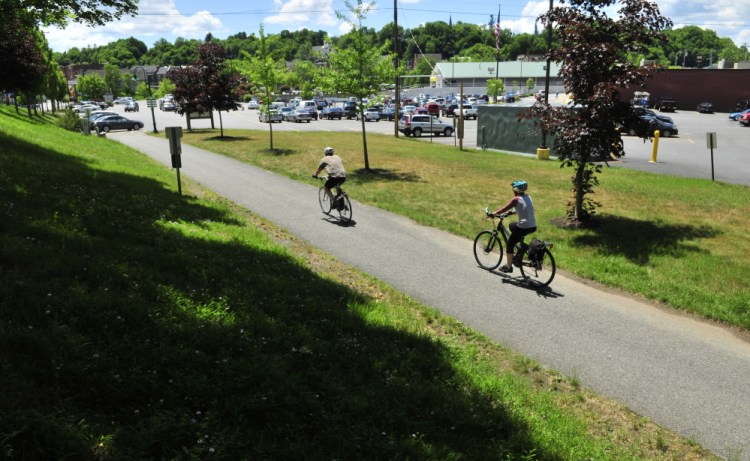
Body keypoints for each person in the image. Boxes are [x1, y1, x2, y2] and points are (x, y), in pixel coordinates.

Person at [488, 180, 537, 273]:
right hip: (533, 226)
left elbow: (504, 208)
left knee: (510, 244)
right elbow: (524, 208)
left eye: (513, 189)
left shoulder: (516, 199)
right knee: (512, 225)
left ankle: (509, 267)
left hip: (524, 227)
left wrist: (494, 214)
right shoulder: (528, 197)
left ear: (516, 190)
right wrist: (512, 212)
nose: (513, 191)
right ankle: (520, 248)